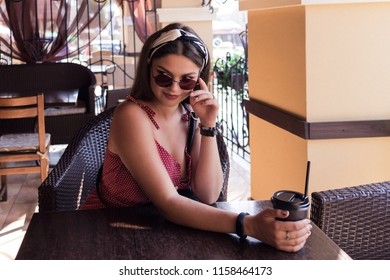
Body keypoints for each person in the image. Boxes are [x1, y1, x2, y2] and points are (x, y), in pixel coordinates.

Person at [81, 22, 312, 252]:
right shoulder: (131, 116)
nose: (174, 89)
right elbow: (169, 202)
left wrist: (208, 125)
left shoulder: (188, 115)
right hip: (107, 231)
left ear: (199, 80)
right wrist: (248, 225)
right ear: (148, 69)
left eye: (186, 80)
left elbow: (208, 193)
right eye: (163, 77)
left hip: (161, 231)